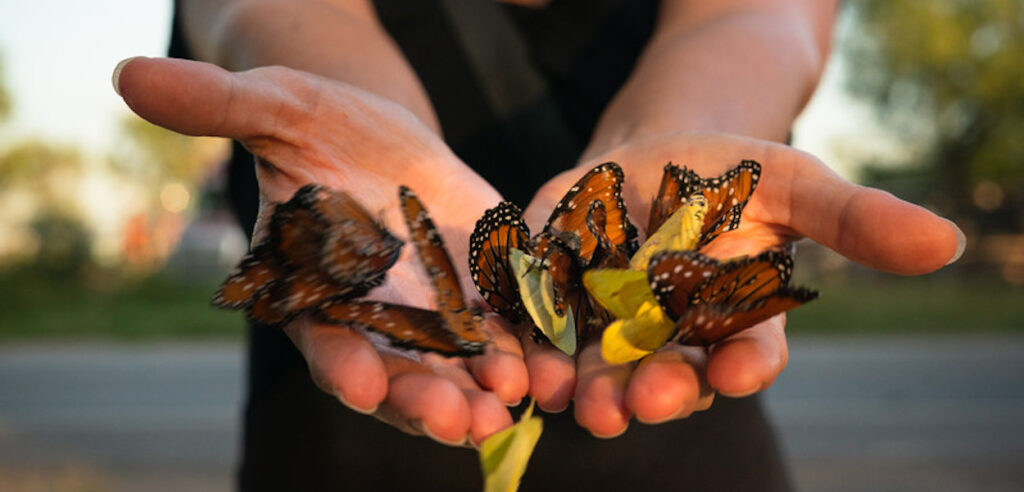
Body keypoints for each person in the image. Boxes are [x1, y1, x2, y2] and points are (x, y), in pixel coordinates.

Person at [113, 0, 964, 489]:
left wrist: (691, 150)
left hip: (684, 442)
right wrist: (351, 120)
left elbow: (760, 15)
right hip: (346, 427)